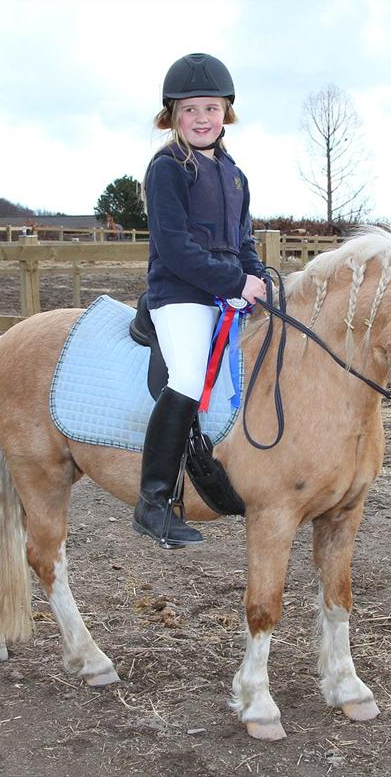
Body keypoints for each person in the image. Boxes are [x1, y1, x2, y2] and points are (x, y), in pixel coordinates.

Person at [134, 53, 267, 548]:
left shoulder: (234, 174)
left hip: (226, 293)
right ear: (172, 116)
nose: (202, 118)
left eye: (211, 108)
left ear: (225, 111)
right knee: (187, 376)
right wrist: (235, 281)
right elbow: (175, 246)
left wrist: (256, 278)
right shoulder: (168, 168)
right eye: (190, 110)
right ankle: (152, 502)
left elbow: (245, 242)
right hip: (181, 294)